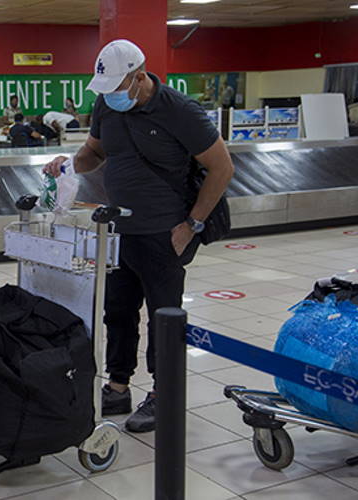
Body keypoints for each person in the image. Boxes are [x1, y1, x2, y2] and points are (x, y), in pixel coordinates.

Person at [43, 40, 234, 433]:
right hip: (119, 230)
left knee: (164, 316)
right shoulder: (106, 105)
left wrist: (191, 225)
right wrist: (68, 165)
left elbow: (222, 168)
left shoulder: (180, 110)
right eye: (106, 90)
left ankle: (165, 393)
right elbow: (94, 153)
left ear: (139, 77)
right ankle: (118, 384)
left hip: (165, 233)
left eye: (117, 87)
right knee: (118, 310)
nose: (110, 96)